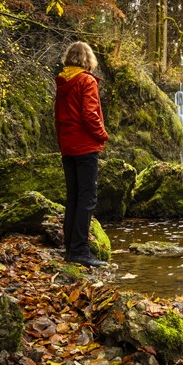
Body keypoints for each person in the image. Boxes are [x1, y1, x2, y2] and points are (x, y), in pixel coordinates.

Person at [54, 41, 109, 267]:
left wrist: (63, 143)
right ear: (87, 59)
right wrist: (102, 135)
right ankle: (80, 251)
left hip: (68, 147)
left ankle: (70, 248)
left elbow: (58, 118)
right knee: (87, 199)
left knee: (74, 197)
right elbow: (89, 114)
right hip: (85, 147)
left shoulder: (63, 82)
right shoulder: (86, 80)